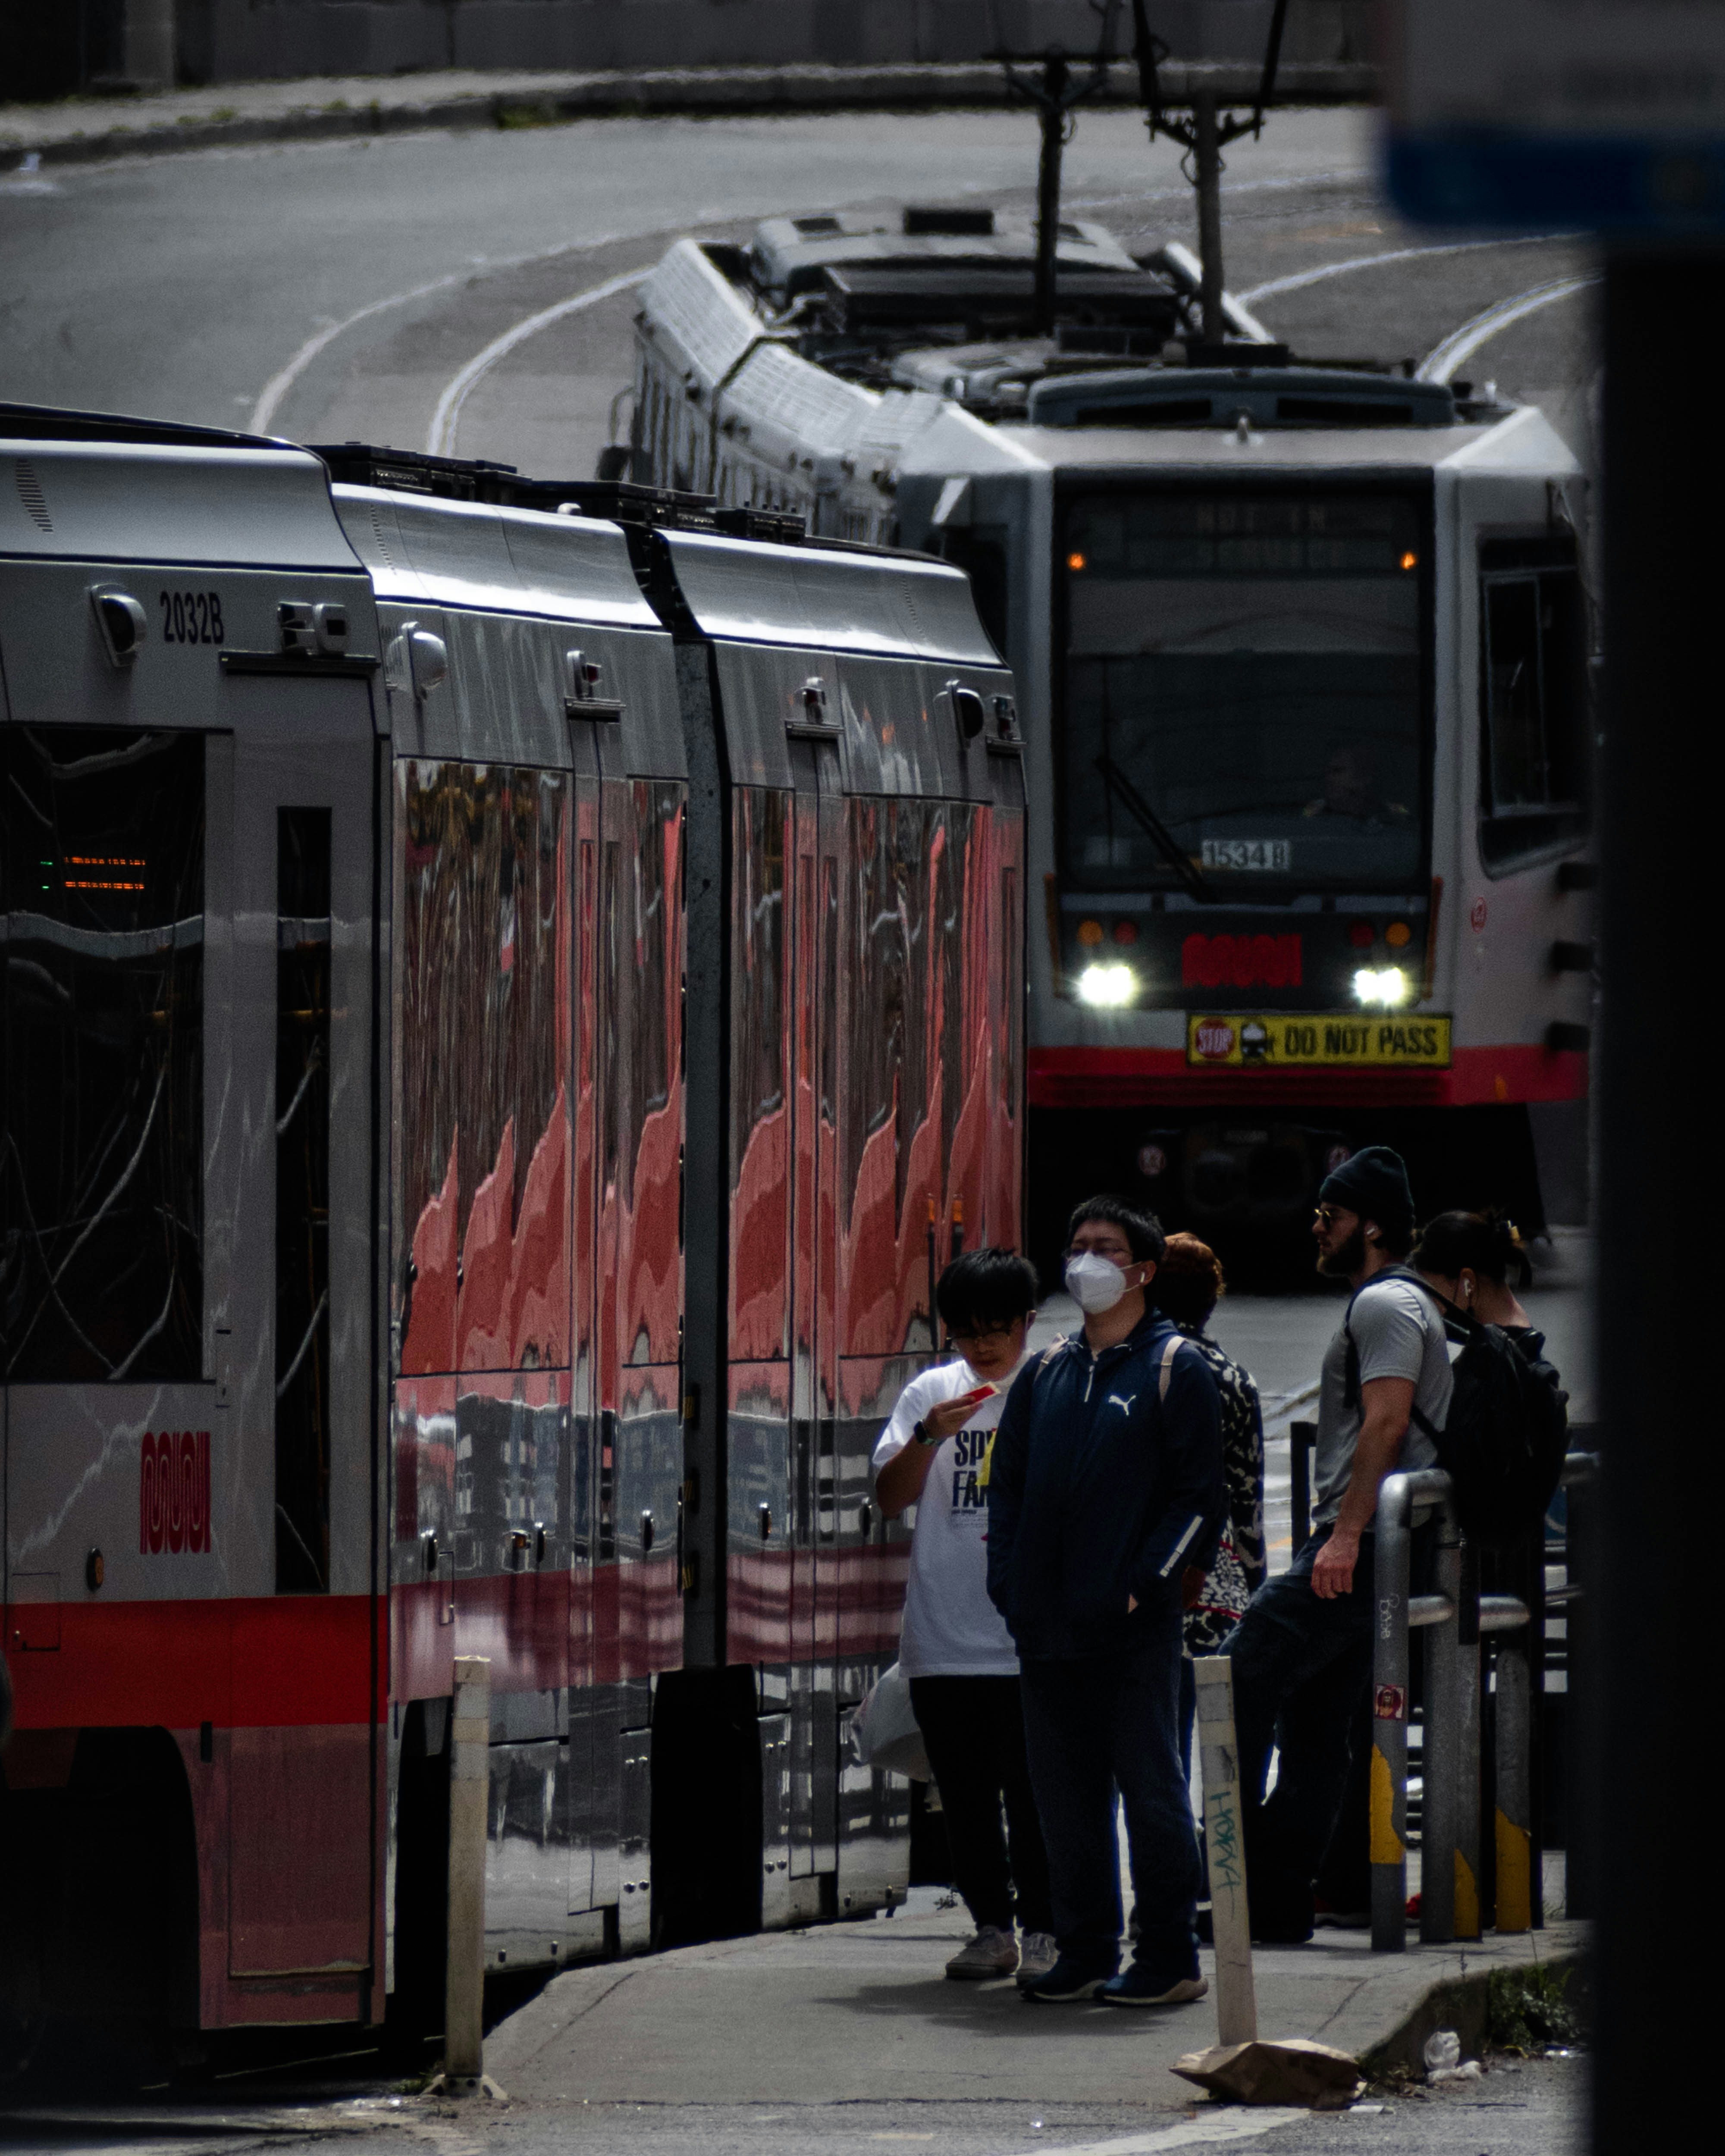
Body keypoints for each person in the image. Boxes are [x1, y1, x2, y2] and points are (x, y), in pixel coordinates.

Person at [986, 1197, 1225, 2006]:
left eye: (1107, 1249)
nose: (1086, 1261)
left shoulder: (1174, 1367)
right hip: (1045, 1629)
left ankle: (1168, 1957)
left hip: (1132, 1632)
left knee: (1152, 1793)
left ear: (1143, 1271)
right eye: (1078, 1245)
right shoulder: (1047, 1372)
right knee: (1063, 1801)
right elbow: (1007, 1487)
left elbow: (1201, 1498)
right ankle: (1086, 1948)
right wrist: (1008, 1584)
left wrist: (1142, 1587)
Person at [1221, 1145, 1452, 1944]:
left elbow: (1387, 1421)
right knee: (1319, 1725)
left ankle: (1229, 1882)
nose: (1316, 1227)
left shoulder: (1385, 1305)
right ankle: (1283, 1900)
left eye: (1334, 1215)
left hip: (1367, 1543)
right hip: (1385, 1543)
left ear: (1375, 1226)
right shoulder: (1402, 1300)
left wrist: (1346, 1536)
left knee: (1241, 1673)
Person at [872, 1247, 1057, 1984]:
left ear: (1028, 1324)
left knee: (1036, 1795)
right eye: (968, 1331)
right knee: (966, 1799)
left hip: (1026, 1641)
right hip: (944, 1637)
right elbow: (889, 1498)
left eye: (999, 1330)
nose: (983, 1346)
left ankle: (1047, 1929)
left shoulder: (1054, 1384)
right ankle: (991, 1928)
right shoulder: (932, 1393)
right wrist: (929, 1437)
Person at [1153, 1235, 1266, 1776]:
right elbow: (1246, 1495)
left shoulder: (1135, 1363)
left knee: (1146, 1738)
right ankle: (1215, 1848)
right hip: (1213, 1588)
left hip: (1138, 1573)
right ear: (1211, 1300)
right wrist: (1255, 1580)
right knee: (1205, 1739)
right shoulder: (1234, 1377)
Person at [1414, 1210, 1534, 1333]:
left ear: (1468, 1281)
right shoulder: (1511, 1331)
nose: (1428, 1306)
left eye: (1433, 1294)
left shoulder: (1494, 1348)